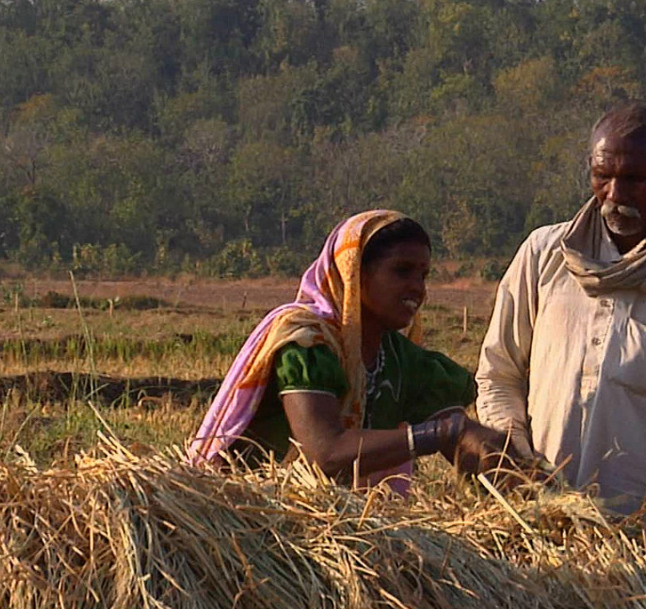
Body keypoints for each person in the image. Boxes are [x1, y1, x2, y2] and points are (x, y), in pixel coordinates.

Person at [475, 102, 646, 513]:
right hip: (542, 517)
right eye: (603, 177)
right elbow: (498, 374)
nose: (615, 196)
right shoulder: (545, 254)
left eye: (634, 180)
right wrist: (517, 468)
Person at [188, 210, 508, 493]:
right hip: (260, 515)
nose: (418, 288)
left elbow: (466, 440)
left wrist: (518, 471)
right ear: (355, 273)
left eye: (423, 276)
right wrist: (437, 434)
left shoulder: (401, 359)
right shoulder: (306, 343)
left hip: (346, 526)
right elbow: (327, 454)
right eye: (402, 271)